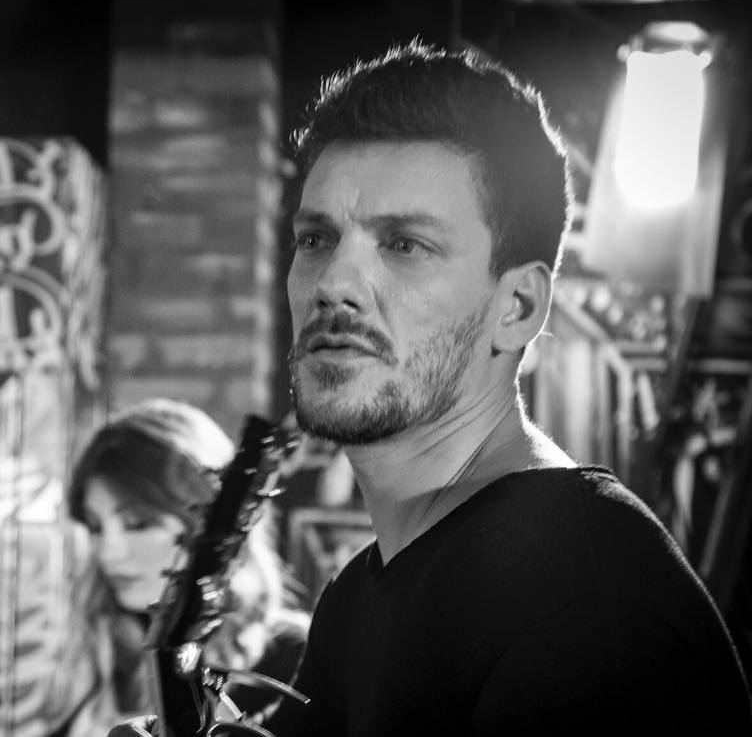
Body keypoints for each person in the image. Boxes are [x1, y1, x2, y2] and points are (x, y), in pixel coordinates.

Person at [114, 40, 752, 736]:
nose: (335, 284)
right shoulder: (361, 595)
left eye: (405, 245)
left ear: (517, 308)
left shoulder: (586, 610)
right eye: (317, 239)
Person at [64, 399, 309, 737]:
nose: (108, 551)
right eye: (95, 526)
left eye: (138, 523)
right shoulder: (80, 653)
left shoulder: (298, 658)